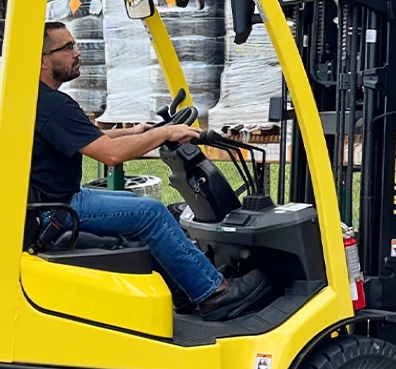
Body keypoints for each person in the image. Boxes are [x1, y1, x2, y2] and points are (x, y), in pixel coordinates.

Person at [30, 21, 268, 320]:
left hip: (51, 202)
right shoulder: (54, 105)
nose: (78, 52)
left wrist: (139, 132)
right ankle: (213, 293)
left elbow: (92, 139)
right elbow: (111, 155)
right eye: (67, 48)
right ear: (42, 60)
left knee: (148, 207)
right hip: (59, 210)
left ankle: (183, 290)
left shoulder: (35, 100)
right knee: (152, 212)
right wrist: (163, 135)